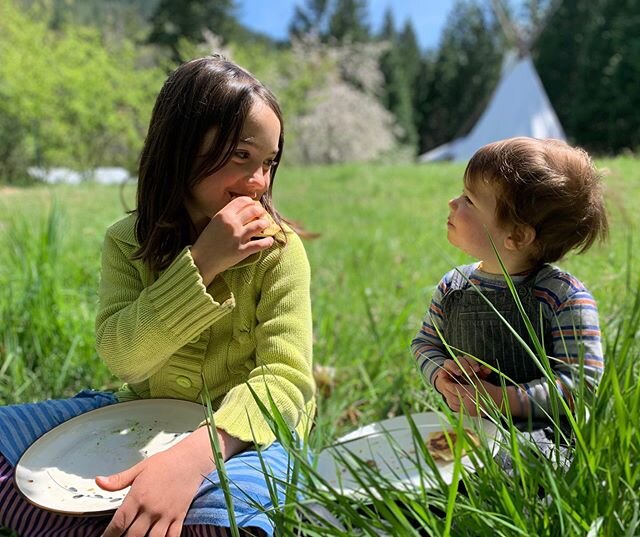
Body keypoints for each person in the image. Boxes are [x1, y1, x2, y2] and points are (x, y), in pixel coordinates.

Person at [0, 56, 315, 537]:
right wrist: (203, 264)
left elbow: (286, 380)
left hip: (247, 436)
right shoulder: (128, 241)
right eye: (241, 156)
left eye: (269, 163)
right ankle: (127, 518)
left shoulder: (278, 252)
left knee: (229, 520)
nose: (259, 182)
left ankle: (146, 515)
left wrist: (188, 461)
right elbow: (125, 358)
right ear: (181, 148)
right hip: (142, 418)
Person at [411, 137, 607, 443]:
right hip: (468, 434)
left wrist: (501, 399)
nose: (453, 202)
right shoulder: (454, 286)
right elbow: (425, 343)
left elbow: (580, 385)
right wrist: (442, 375)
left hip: (542, 441)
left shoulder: (561, 296)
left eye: (470, 200)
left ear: (516, 236)